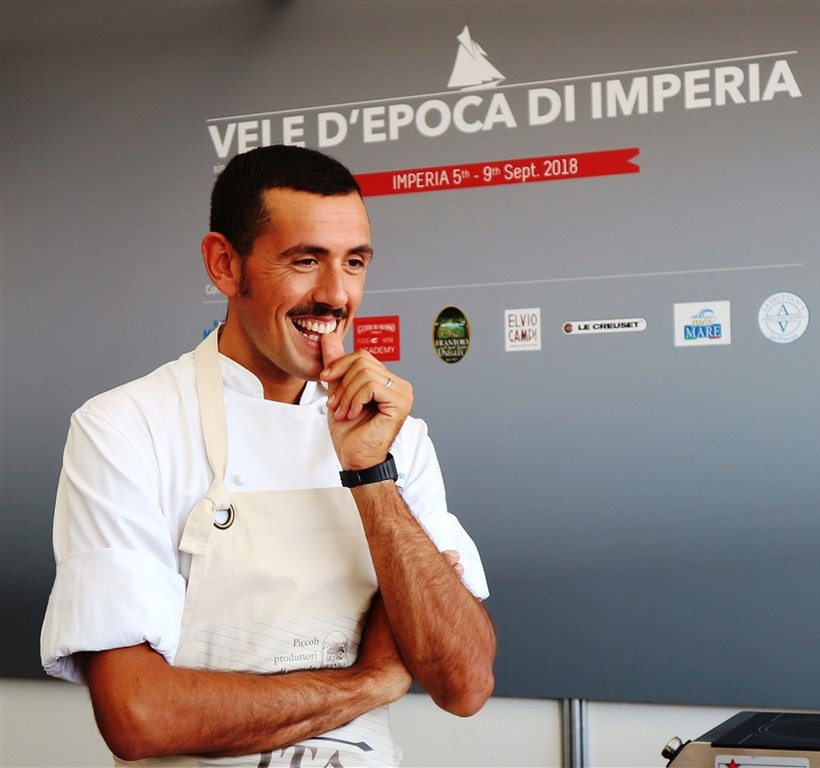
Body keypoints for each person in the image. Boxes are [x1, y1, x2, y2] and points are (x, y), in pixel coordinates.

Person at [40, 145, 496, 767]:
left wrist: (371, 474)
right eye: (305, 260)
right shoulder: (125, 429)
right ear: (225, 265)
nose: (336, 295)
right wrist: (370, 682)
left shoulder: (396, 438)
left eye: (354, 262)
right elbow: (140, 715)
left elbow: (464, 683)